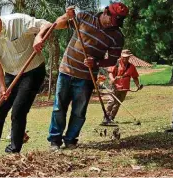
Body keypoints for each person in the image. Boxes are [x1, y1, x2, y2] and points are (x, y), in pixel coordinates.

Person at [0, 4, 52, 157]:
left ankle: (13, 151)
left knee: (18, 111)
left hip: (32, 71)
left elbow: (46, 24)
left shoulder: (18, 21)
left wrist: (38, 37)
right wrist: (2, 87)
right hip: (10, 73)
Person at [47, 2, 129, 151]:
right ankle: (55, 140)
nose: (114, 24)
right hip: (66, 70)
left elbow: (112, 59)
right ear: (105, 12)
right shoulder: (84, 17)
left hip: (86, 77)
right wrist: (67, 16)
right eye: (112, 20)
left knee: (79, 111)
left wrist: (96, 62)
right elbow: (57, 25)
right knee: (59, 107)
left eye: (118, 22)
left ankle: (71, 140)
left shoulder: (117, 36)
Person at [103, 49, 141, 125]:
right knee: (111, 102)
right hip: (115, 87)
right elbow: (110, 72)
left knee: (117, 104)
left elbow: (135, 77)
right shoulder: (116, 63)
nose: (125, 58)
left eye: (127, 57)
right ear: (121, 56)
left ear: (129, 57)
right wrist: (112, 79)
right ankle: (105, 118)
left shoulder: (131, 66)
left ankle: (111, 118)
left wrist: (138, 85)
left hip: (124, 88)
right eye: (123, 57)